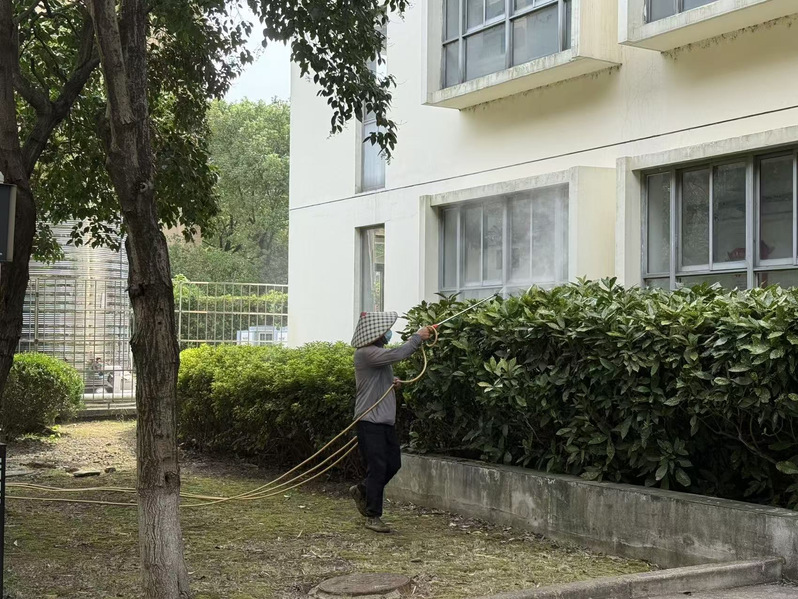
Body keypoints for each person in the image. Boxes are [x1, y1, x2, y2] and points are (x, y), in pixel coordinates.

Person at [349, 311, 431, 533]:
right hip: (369, 420)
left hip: (384, 421)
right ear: (376, 333)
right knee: (378, 467)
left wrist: (392, 382)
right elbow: (399, 354)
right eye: (385, 330)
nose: (388, 333)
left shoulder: (377, 354)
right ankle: (373, 516)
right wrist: (417, 337)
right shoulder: (366, 353)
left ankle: (363, 489)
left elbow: (377, 377)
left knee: (393, 463)